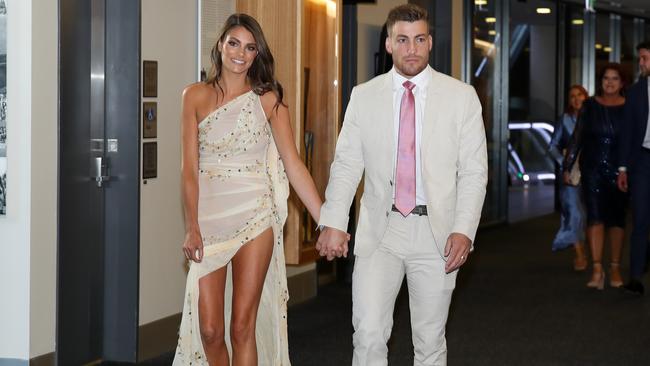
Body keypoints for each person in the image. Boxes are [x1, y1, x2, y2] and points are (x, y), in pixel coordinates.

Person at [316, 4, 488, 365]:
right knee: (368, 334)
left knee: (429, 340)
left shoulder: (461, 97)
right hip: (382, 230)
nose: (412, 48)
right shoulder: (364, 96)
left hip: (437, 233)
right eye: (403, 40)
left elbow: (474, 171)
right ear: (390, 44)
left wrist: (464, 229)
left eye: (420, 39)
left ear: (430, 42)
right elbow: (347, 163)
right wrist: (333, 221)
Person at [173, 14, 324, 365]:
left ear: (257, 54)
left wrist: (325, 219)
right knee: (210, 330)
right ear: (220, 45)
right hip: (209, 222)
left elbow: (294, 165)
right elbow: (188, 170)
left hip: (256, 216)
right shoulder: (193, 96)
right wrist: (192, 226)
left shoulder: (269, 99)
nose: (241, 53)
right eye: (234, 43)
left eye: (250, 47)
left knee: (242, 326)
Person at [564, 63, 628, 290]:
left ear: (622, 82)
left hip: (621, 170)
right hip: (592, 169)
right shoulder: (589, 106)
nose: (610, 82)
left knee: (617, 219)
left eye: (615, 78)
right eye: (606, 78)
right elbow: (577, 136)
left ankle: (615, 266)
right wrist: (568, 165)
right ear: (600, 82)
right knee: (595, 217)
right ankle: (598, 269)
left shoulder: (629, 106)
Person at [617, 41, 650, 295]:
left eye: (645, 58)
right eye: (640, 58)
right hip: (642, 162)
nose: (641, 63)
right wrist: (623, 168)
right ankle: (636, 277)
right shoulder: (636, 92)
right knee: (640, 219)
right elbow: (626, 132)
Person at [549, 85, 588, 270]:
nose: (576, 99)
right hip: (569, 173)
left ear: (585, 96)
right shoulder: (564, 119)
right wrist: (564, 161)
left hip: (591, 171)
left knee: (587, 213)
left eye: (579, 94)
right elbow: (552, 146)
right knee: (574, 212)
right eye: (572, 96)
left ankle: (587, 246)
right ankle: (579, 254)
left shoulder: (593, 117)